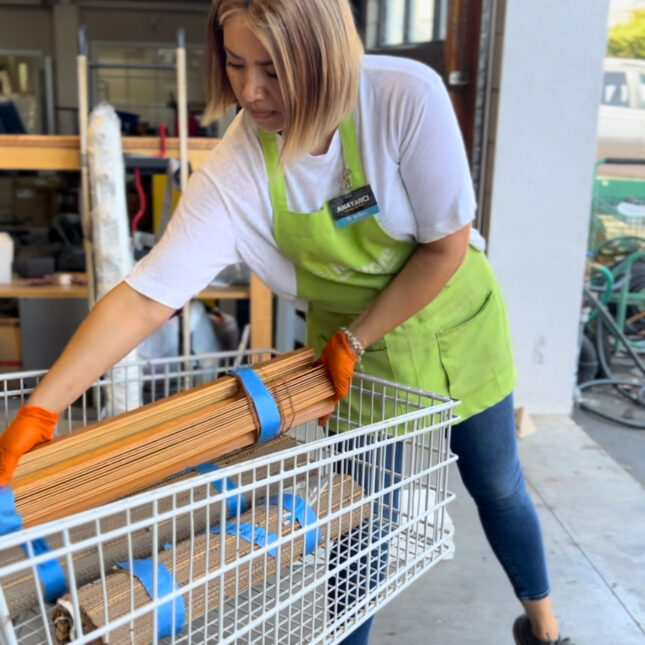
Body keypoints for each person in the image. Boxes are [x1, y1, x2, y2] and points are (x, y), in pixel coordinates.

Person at [0, 1, 573, 644]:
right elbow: (145, 297)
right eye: (236, 64)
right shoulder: (237, 168)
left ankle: (544, 628)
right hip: (345, 352)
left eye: (272, 69)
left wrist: (356, 339)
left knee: (495, 482)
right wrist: (42, 409)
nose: (250, 91)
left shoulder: (403, 98)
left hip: (451, 323)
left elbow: (443, 248)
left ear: (323, 56)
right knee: (360, 518)